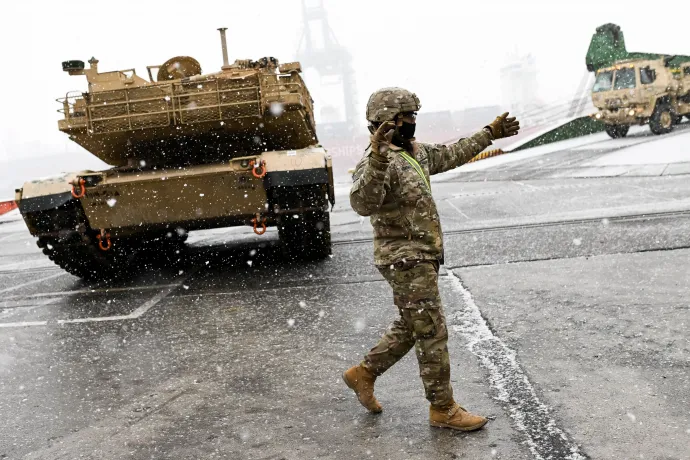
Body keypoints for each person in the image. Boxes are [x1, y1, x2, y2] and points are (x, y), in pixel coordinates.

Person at [342, 87, 519, 431]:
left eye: (413, 117)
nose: (412, 123)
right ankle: (443, 409)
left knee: (414, 325)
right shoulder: (376, 161)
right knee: (432, 332)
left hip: (423, 256)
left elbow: (452, 153)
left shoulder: (413, 153)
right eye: (406, 117)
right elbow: (362, 203)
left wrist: (489, 133)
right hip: (404, 259)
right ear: (387, 122)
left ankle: (363, 374)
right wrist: (378, 157)